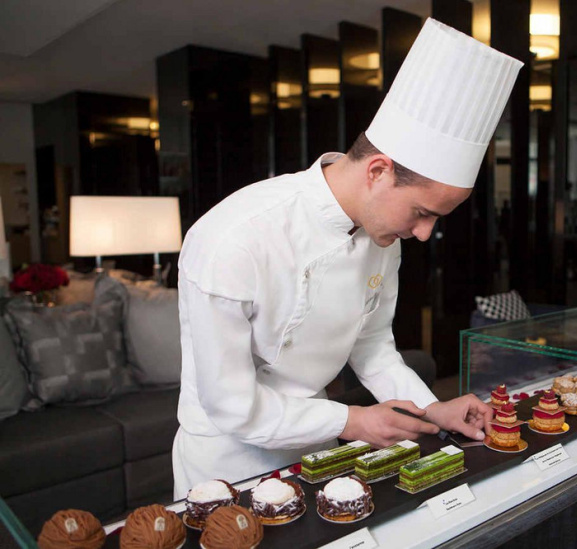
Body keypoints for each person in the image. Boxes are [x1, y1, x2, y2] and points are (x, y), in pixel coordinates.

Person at [172, 18, 523, 499]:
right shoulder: (233, 239)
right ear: (378, 171)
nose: (424, 234)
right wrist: (353, 420)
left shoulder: (383, 239)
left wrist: (431, 410)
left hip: (316, 447)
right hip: (226, 463)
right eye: (422, 213)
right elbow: (232, 404)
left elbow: (373, 348)